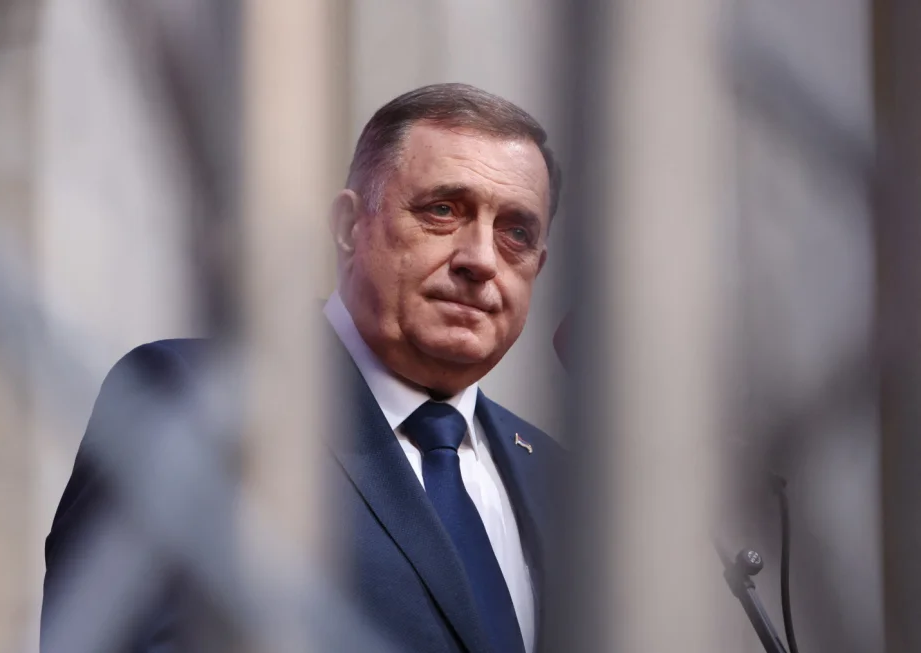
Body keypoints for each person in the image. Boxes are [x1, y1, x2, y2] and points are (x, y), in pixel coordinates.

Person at [43, 82, 565, 653]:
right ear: (349, 227)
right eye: (442, 210)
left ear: (537, 267)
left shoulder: (557, 480)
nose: (481, 260)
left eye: (516, 231)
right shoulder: (201, 398)